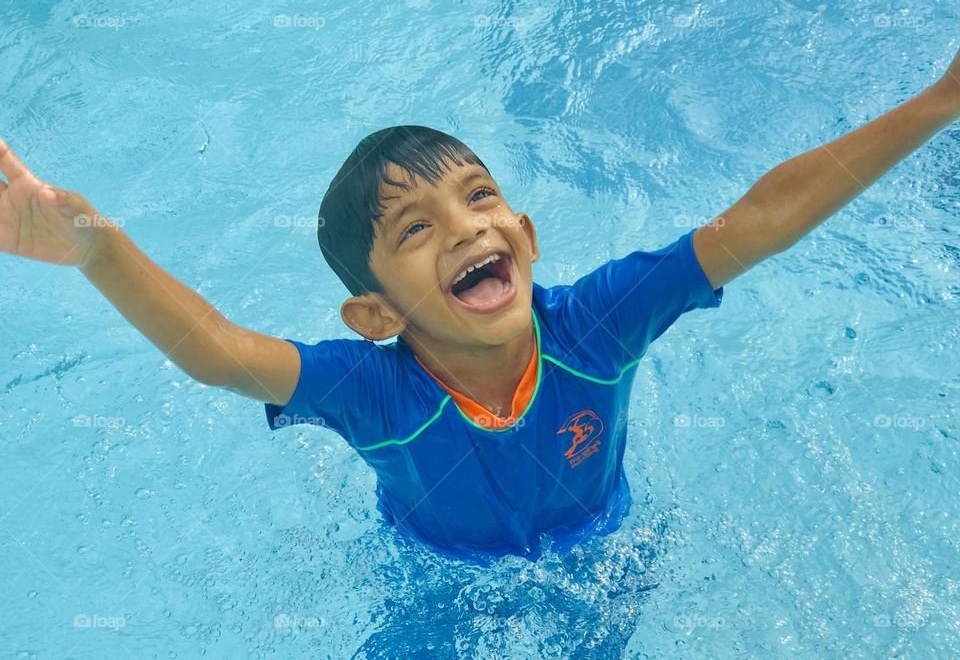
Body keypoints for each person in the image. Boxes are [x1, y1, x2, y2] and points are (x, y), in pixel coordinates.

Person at [2, 48, 958, 560]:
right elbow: (214, 350)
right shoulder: (370, 391)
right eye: (416, 229)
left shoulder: (595, 324)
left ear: (527, 238)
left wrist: (940, 100)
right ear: (377, 315)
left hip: (601, 549)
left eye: (480, 197)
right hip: (434, 581)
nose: (466, 229)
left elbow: (759, 220)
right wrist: (95, 246)